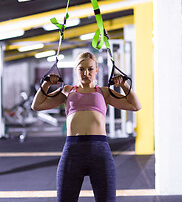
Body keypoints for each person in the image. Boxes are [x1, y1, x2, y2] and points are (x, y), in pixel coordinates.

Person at [31, 51, 141, 202]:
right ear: (75, 70)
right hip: (72, 152)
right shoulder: (67, 91)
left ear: (96, 70)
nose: (86, 73)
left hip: (100, 153)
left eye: (90, 69)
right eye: (81, 69)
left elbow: (135, 105)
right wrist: (47, 83)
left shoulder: (105, 92)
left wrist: (123, 84)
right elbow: (37, 105)